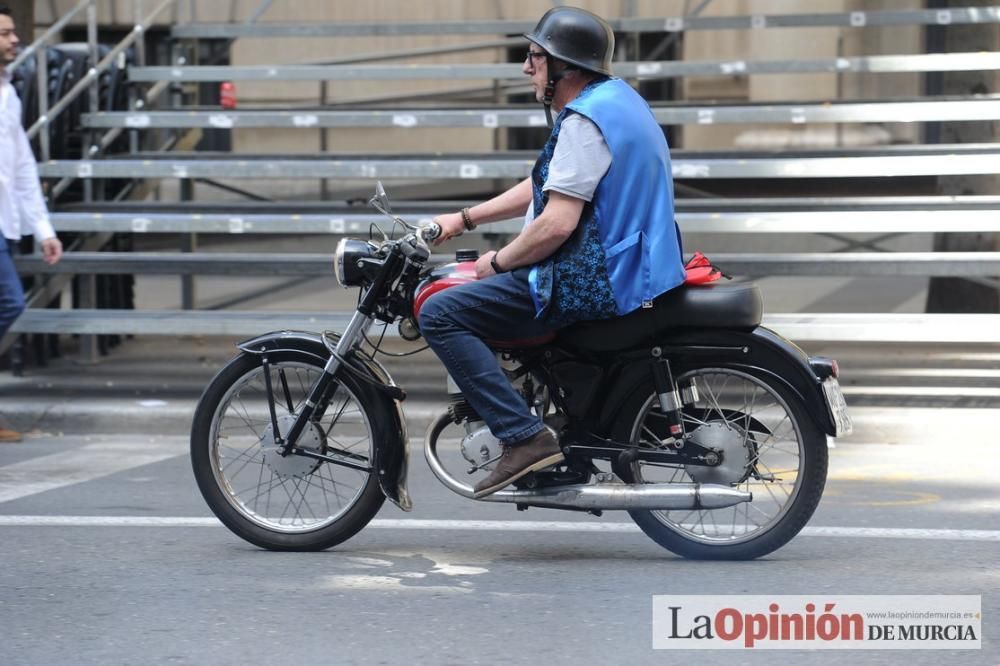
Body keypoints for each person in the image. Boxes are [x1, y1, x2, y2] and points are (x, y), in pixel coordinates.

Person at [419, 6, 685, 497]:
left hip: (600, 274)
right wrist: (464, 219)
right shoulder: (616, 100)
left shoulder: (584, 121)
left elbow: (556, 225)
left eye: (535, 56)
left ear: (565, 65)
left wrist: (496, 262)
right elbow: (549, 184)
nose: (526, 67)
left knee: (441, 311)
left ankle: (524, 437)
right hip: (635, 262)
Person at [0, 6, 63, 442]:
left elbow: (22, 168)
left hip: (2, 224)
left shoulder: (9, 95)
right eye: (4, 34)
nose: (14, 39)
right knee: (10, 303)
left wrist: (44, 229)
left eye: (13, 33)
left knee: (11, 305)